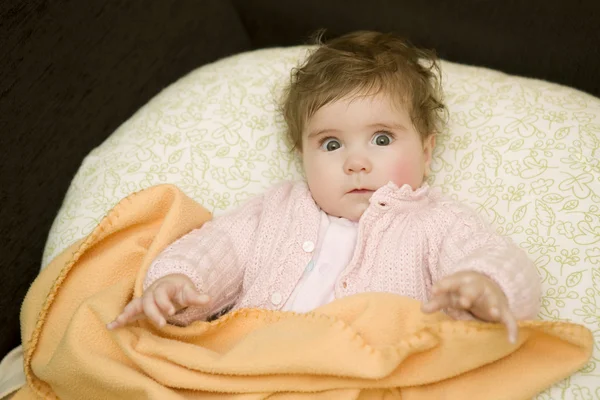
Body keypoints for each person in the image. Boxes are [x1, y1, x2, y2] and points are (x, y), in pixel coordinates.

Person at [107, 31, 541, 343]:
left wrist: (487, 285)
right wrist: (178, 281)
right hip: (255, 365)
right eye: (331, 144)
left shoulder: (435, 221)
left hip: (370, 370)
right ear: (303, 156)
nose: (355, 162)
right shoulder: (277, 209)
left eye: (382, 139)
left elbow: (497, 258)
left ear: (427, 151)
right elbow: (219, 247)